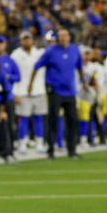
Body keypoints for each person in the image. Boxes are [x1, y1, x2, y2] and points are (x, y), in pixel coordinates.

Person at [30, 28, 84, 159]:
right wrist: (31, 83)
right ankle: (51, 150)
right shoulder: (50, 51)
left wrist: (84, 82)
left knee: (72, 120)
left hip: (70, 91)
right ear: (57, 38)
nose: (63, 38)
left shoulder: (75, 50)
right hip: (55, 91)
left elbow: (80, 67)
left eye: (65, 36)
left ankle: (72, 150)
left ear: (69, 37)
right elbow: (37, 66)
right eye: (60, 36)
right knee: (53, 120)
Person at [9, 32, 45, 150]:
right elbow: (12, 74)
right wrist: (14, 93)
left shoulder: (39, 53)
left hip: (39, 90)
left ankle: (39, 142)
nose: (27, 42)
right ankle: (22, 142)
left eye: (28, 39)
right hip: (22, 91)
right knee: (23, 119)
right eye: (24, 40)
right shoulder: (15, 55)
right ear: (21, 41)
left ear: (32, 40)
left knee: (39, 118)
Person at [0, 36, 19, 155]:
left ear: (5, 45)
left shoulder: (10, 60)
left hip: (7, 97)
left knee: (10, 123)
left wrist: (8, 77)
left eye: (1, 43)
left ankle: (10, 149)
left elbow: (18, 77)